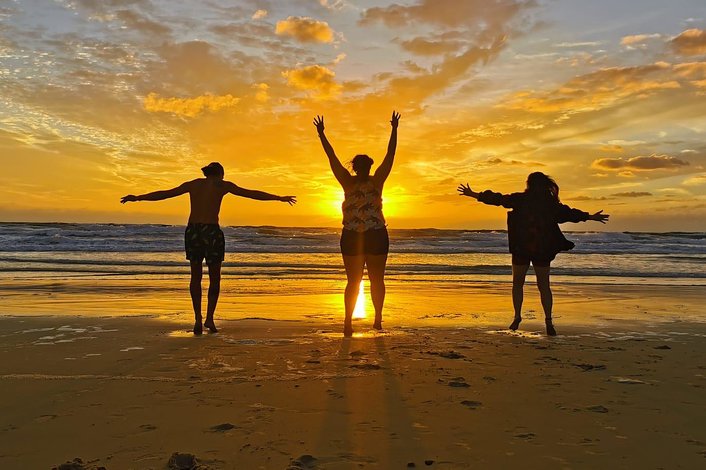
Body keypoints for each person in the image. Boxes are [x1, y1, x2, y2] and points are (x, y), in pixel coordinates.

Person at [121, 162, 296, 335]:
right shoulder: (222, 185)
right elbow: (251, 194)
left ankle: (197, 318)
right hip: (211, 232)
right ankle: (209, 318)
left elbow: (165, 194)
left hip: (193, 231)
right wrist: (278, 197)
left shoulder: (193, 184)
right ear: (220, 173)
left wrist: (138, 197)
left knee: (195, 276)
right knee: (215, 278)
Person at [457, 172, 609, 336]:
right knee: (544, 286)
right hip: (542, 248)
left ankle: (517, 317)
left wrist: (473, 194)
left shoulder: (520, 199)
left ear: (529, 184)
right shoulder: (550, 204)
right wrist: (590, 216)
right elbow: (569, 214)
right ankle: (548, 321)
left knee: (517, 284)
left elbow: (498, 199)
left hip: (521, 246)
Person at [314, 111, 400, 337]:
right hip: (354, 235)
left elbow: (390, 156)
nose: (364, 170)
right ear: (356, 168)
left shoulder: (376, 180)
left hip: (375, 234)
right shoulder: (347, 182)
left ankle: (377, 318)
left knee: (374, 279)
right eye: (361, 167)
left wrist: (394, 130)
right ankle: (348, 321)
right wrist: (322, 135)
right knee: (355, 280)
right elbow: (331, 158)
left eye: (366, 167)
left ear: (368, 167)